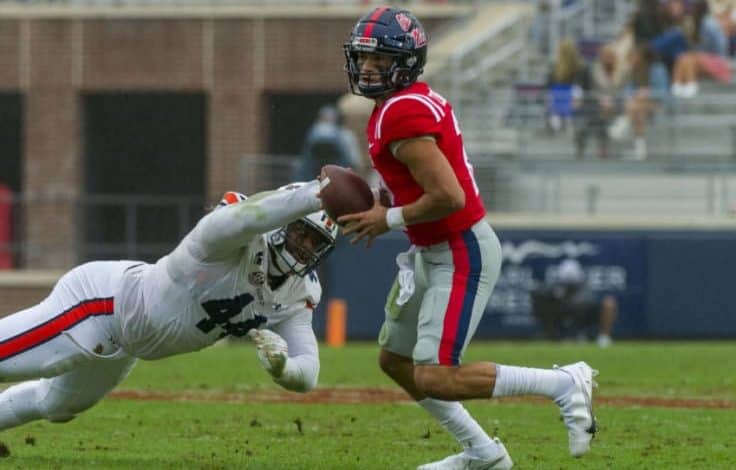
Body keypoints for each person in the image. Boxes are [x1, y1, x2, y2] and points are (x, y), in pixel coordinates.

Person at [338, 7, 598, 470]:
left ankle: (563, 384)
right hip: (430, 249)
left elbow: (449, 196)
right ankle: (484, 453)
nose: (368, 68)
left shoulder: (402, 113)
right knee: (395, 361)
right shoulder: (399, 105)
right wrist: (386, 201)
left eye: (379, 58)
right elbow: (419, 181)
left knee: (436, 376)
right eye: (363, 58)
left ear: (406, 61)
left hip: (459, 250)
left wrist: (389, 218)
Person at [0, 180, 338, 432]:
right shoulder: (228, 238)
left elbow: (307, 373)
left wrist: (283, 368)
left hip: (126, 343)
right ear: (282, 221)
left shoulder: (297, 293)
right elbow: (248, 218)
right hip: (100, 304)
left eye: (316, 243)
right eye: (301, 233)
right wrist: (315, 194)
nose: (305, 247)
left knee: (58, 405)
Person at [531, 259, 618, 348]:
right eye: (567, 283)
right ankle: (554, 336)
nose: (569, 286)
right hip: (563, 320)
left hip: (585, 318)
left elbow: (585, 305)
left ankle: (603, 337)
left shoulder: (584, 288)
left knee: (609, 302)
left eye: (572, 284)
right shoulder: (555, 289)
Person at [296, 105, 363, 182]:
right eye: (325, 118)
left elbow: (354, 161)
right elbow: (305, 160)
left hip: (337, 174)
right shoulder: (314, 131)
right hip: (313, 175)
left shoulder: (345, 134)